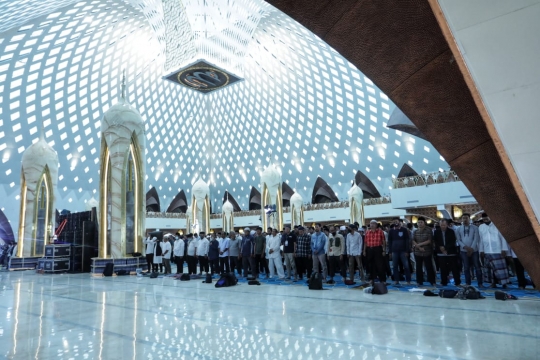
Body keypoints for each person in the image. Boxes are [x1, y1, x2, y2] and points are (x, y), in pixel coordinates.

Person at [478, 213, 509, 288]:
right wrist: (481, 250)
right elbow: (481, 239)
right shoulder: (481, 227)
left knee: (500, 269)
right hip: (487, 250)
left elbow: (503, 238)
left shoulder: (497, 225)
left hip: (498, 250)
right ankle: (493, 283)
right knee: (490, 270)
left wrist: (504, 249)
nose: (485, 219)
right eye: (484, 218)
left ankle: (504, 284)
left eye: (487, 217)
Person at [456, 213, 482, 286]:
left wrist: (471, 249)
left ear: (469, 219)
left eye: (466, 218)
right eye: (463, 218)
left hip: (474, 250)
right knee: (466, 267)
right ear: (462, 219)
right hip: (464, 251)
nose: (465, 219)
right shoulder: (458, 229)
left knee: (477, 267)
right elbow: (458, 240)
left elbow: (476, 238)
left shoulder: (475, 228)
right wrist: (465, 247)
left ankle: (480, 283)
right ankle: (468, 283)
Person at [434, 219, 461, 286]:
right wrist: (441, 248)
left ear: (447, 225)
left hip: (451, 252)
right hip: (441, 253)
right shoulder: (436, 232)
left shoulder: (451, 231)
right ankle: (444, 282)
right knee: (443, 269)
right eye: (441, 225)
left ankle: (457, 282)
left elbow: (453, 241)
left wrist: (445, 248)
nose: (443, 226)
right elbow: (435, 241)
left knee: (454, 268)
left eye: (444, 225)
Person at [412, 217, 435, 286]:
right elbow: (413, 240)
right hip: (417, 252)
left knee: (429, 267)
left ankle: (432, 281)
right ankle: (419, 281)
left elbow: (429, 240)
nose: (420, 224)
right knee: (418, 267)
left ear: (424, 223)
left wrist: (419, 245)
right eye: (418, 222)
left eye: (421, 222)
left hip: (427, 251)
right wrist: (419, 247)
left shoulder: (428, 230)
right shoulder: (415, 231)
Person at [388, 217, 411, 285]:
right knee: (395, 266)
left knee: (406, 266)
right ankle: (396, 280)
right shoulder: (391, 231)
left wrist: (407, 251)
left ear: (399, 222)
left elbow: (407, 240)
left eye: (396, 221)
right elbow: (389, 241)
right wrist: (390, 251)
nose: (395, 222)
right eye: (394, 221)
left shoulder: (404, 230)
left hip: (403, 251)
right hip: (394, 251)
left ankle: (408, 280)